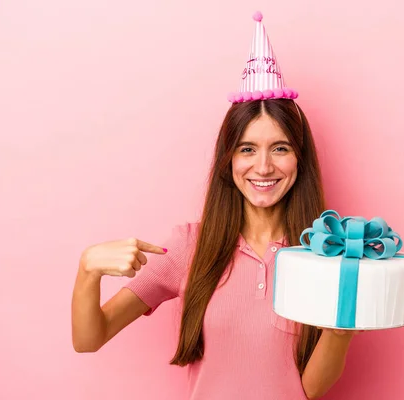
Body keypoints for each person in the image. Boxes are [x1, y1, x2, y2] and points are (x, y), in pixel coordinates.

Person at [71, 12, 360, 400]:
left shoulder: (323, 254)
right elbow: (90, 339)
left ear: (299, 158)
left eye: (280, 148)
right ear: (229, 159)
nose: (263, 167)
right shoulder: (190, 245)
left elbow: (306, 389)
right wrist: (88, 268)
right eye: (247, 149)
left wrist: (340, 329)